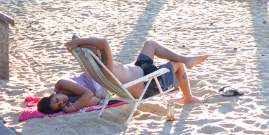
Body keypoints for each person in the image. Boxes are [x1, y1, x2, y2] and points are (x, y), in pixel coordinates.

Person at [58, 35, 208, 105]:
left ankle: (187, 59)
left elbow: (99, 46)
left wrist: (79, 41)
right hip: (148, 84)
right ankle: (189, 98)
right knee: (178, 65)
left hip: (141, 71)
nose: (97, 51)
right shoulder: (106, 70)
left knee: (151, 43)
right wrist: (78, 42)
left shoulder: (98, 68)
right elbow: (103, 42)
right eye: (95, 51)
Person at [36, 72, 109, 114]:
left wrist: (72, 108)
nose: (61, 102)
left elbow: (89, 93)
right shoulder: (70, 102)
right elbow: (96, 100)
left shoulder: (60, 84)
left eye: (56, 100)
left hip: (99, 78)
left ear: (52, 95)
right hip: (105, 92)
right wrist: (72, 105)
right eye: (59, 106)